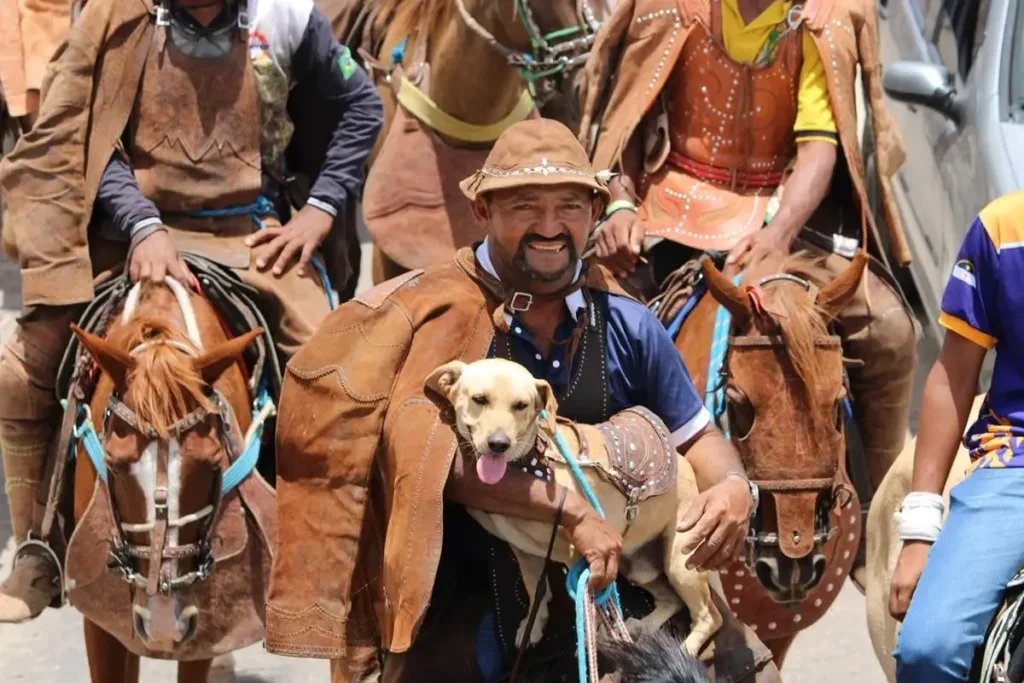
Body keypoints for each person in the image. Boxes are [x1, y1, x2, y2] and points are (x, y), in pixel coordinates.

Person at [266, 119, 780, 683]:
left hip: (617, 574)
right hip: (463, 583)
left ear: (593, 212)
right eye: (525, 207)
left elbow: (700, 438)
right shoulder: (434, 316)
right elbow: (431, 462)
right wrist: (569, 509)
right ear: (482, 211)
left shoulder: (629, 322)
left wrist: (733, 487)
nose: (549, 227)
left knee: (750, 671)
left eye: (569, 207)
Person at [0, 0, 383, 622]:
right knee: (22, 369)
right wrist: (142, 223)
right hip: (135, 237)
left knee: (338, 371)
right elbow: (85, 133)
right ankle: (37, 544)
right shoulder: (112, 16)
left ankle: (321, 550)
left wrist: (320, 210)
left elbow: (362, 109)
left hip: (251, 236)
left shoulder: (285, 16)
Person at [576, 0, 917, 572]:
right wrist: (617, 204)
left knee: (887, 329)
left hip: (781, 212)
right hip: (671, 203)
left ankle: (879, 527)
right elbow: (628, 119)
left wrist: (780, 232)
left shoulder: (821, 18)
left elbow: (818, 147)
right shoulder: (667, 7)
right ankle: (575, 505)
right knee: (585, 319)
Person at [889, 191, 1024, 682]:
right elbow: (953, 375)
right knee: (930, 648)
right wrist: (920, 529)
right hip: (1016, 464)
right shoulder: (1003, 228)